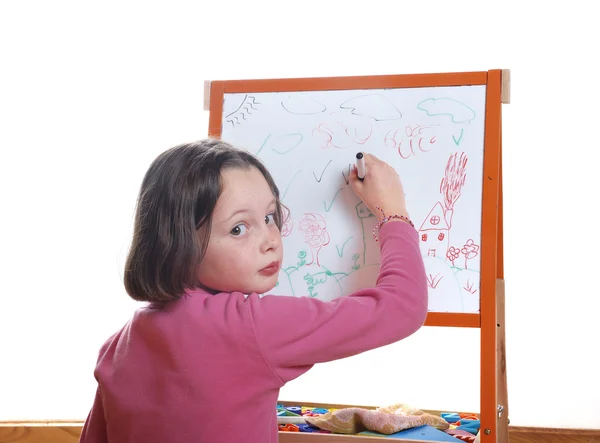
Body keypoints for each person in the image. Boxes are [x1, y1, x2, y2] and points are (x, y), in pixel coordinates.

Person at [79, 138, 428, 443]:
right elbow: (402, 307)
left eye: (270, 216)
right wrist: (393, 212)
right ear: (179, 242)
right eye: (238, 229)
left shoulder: (118, 346)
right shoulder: (249, 325)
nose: (270, 241)